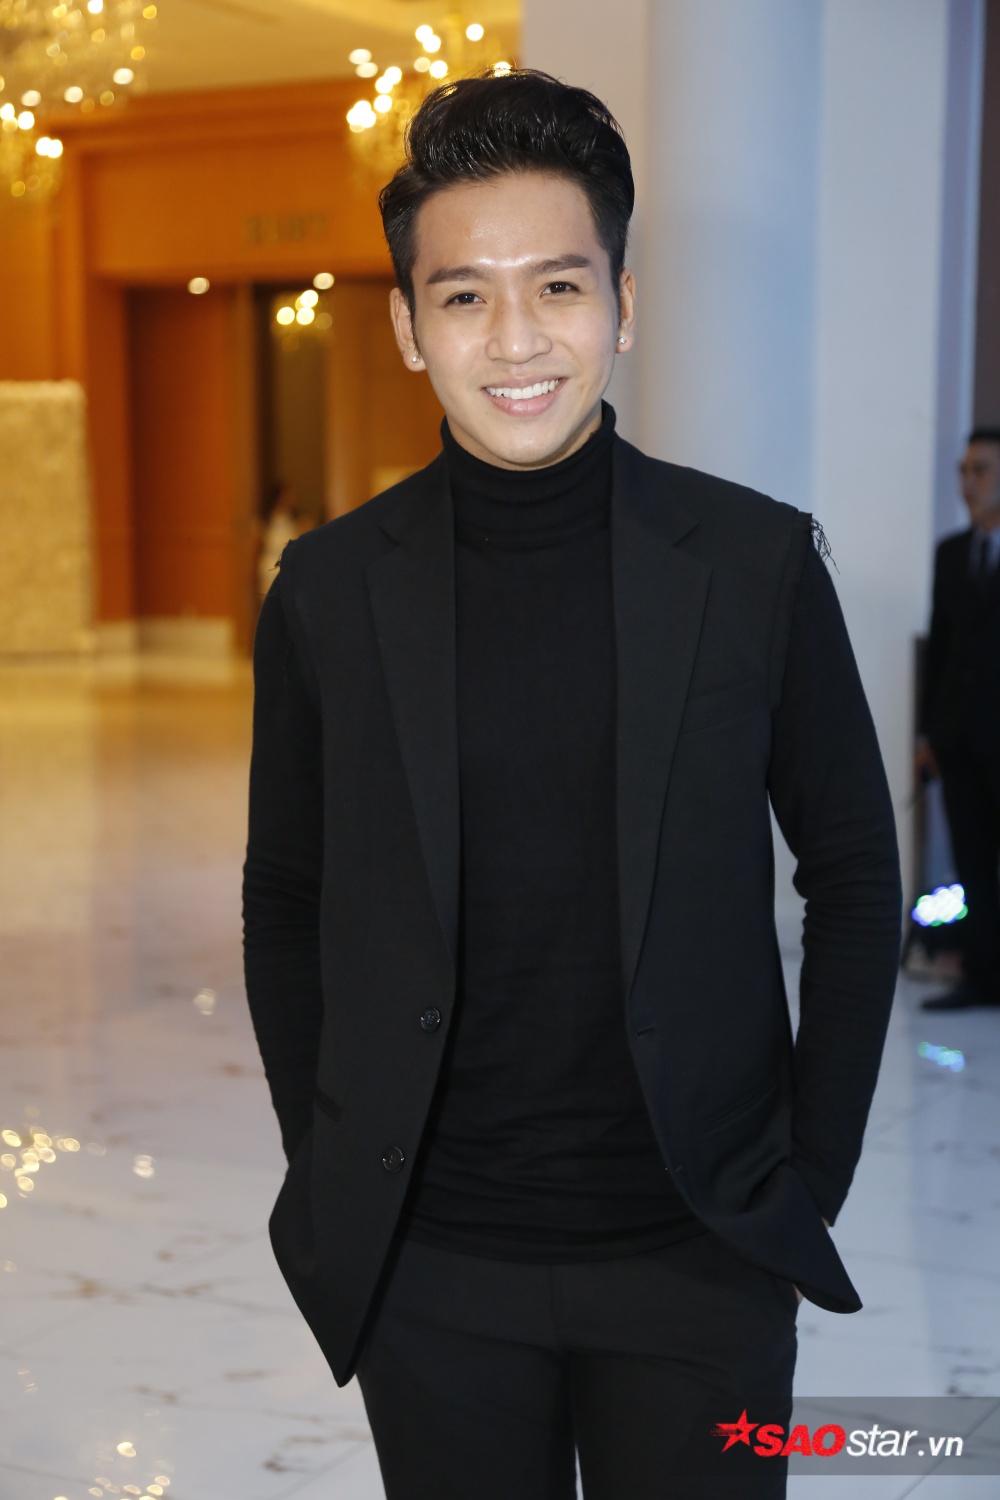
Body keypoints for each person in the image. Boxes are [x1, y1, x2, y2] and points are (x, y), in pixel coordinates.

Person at [243, 70, 902, 1499]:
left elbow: (855, 876)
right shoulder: (330, 593)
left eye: (557, 285)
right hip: (434, 1267)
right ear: (408, 327)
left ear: (623, 303)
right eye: (463, 296)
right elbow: (285, 895)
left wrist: (807, 1177)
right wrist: (329, 1161)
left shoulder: (753, 566)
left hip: (701, 1255)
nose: (516, 339)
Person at [918, 428, 1000, 1011]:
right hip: (960, 739)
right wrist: (927, 735)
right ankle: (983, 974)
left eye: (982, 470)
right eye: (964, 470)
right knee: (971, 857)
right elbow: (941, 649)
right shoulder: (950, 553)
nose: (968, 483)